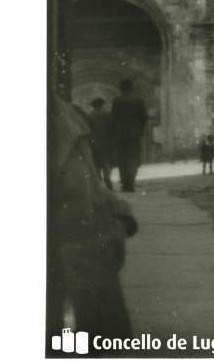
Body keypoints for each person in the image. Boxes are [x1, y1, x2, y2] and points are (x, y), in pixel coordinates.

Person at [49, 93, 137, 340]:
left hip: (87, 289)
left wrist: (118, 219)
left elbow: (90, 184)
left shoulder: (67, 115)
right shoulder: (68, 116)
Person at [110, 78, 148, 192]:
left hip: (121, 135)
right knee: (133, 159)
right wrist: (140, 128)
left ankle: (125, 183)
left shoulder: (116, 101)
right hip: (135, 135)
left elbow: (113, 118)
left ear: (121, 88)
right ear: (132, 88)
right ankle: (131, 182)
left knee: (123, 160)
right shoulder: (138, 100)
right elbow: (144, 117)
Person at [86, 98, 115, 190]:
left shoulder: (89, 116)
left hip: (94, 143)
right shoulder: (107, 114)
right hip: (107, 142)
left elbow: (87, 130)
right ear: (102, 105)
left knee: (96, 163)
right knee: (106, 162)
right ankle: (107, 178)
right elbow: (112, 128)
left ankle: (98, 183)